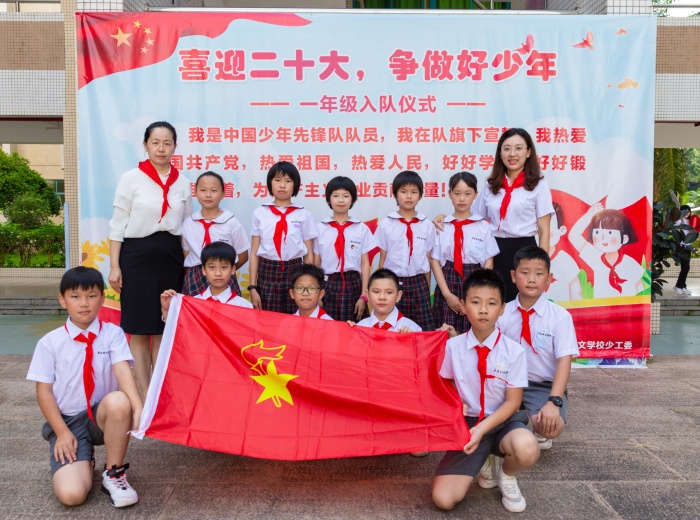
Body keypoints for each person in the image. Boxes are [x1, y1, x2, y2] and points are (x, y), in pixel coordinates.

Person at [26, 267, 142, 508]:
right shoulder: (50, 343)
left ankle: (113, 473)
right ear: (62, 300)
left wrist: (138, 406)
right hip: (68, 423)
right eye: (75, 296)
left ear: (102, 298)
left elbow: (123, 371)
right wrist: (62, 432)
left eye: (91, 295)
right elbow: (44, 392)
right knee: (72, 495)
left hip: (101, 417)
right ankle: (85, 460)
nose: (84, 303)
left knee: (120, 400)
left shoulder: (113, 334)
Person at [432, 269, 538, 513]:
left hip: (503, 422)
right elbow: (446, 385)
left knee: (527, 447)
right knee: (443, 500)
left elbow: (513, 403)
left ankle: (507, 475)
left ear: (502, 309)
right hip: (468, 426)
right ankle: (485, 459)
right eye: (475, 302)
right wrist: (457, 405)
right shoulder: (453, 347)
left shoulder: (514, 352)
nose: (483, 310)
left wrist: (482, 429)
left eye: (491, 303)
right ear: (463, 305)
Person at [108, 121, 192, 399]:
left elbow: (187, 226)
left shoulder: (182, 182)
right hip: (136, 258)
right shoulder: (131, 178)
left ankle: (160, 392)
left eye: (167, 143)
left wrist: (185, 264)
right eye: (155, 142)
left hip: (170, 258)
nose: (161, 148)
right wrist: (114, 266)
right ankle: (144, 394)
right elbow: (117, 225)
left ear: (175, 147)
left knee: (162, 328)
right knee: (140, 329)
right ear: (145, 145)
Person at [434, 128, 554, 302]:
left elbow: (544, 231)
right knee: (494, 302)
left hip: (524, 250)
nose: (512, 154)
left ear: (528, 152)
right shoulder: (491, 186)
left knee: (523, 302)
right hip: (493, 251)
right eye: (507, 149)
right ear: (500, 153)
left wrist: (541, 267)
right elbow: (472, 218)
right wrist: (445, 218)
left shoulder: (539, 186)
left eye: (518, 148)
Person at [498, 246, 579, 451]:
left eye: (539, 273)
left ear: (549, 279)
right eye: (525, 273)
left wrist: (554, 401)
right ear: (513, 276)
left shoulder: (560, 316)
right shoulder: (502, 313)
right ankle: (516, 423)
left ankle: (533, 423)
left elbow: (564, 360)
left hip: (540, 385)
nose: (532, 279)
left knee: (551, 427)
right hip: (505, 382)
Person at [431, 171, 499, 334]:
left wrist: (478, 289)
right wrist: (447, 294)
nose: (462, 199)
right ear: (450, 194)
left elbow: (489, 261)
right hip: (448, 280)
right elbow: (435, 261)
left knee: (472, 330)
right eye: (457, 193)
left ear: (475, 194)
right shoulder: (442, 226)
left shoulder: (483, 226)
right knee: (445, 332)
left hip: (475, 278)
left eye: (467, 194)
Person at [248, 161, 317, 314]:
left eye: (288, 181)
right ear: (270, 183)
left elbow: (308, 254)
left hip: (295, 271)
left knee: (295, 319)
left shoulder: (303, 215)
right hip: (267, 272)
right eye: (277, 180)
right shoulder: (260, 213)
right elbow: (254, 252)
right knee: (269, 320)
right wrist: (253, 287)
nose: (282, 185)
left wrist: (309, 284)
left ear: (295, 185)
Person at [376, 170, 436, 331]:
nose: (409, 196)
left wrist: (426, 288)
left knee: (422, 330)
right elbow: (382, 259)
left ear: (420, 195)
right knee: (393, 329)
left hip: (418, 283)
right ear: (395, 194)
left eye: (414, 192)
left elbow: (427, 260)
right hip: (393, 282)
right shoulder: (386, 224)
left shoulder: (427, 225)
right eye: (403, 192)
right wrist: (383, 285)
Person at [313, 176, 376, 321]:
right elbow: (316, 264)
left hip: (353, 284)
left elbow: (365, 264)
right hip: (328, 285)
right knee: (329, 328)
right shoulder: (320, 228)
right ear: (328, 200)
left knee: (355, 327)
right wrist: (317, 294)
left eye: (346, 196)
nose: (341, 200)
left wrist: (363, 296)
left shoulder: (361, 228)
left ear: (352, 199)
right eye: (336, 196)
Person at [181, 171, 249, 297]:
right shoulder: (188, 223)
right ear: (196, 193)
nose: (208, 195)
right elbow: (187, 254)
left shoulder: (231, 222)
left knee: (227, 309)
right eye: (203, 190)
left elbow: (243, 256)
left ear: (222, 194)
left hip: (223, 278)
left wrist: (223, 270)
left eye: (213, 190)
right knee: (195, 310)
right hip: (195, 278)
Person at [161, 242, 253, 321]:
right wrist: (167, 311)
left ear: (233, 269)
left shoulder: (244, 306)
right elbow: (181, 330)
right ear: (204, 270)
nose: (218, 273)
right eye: (212, 267)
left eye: (224, 267)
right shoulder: (193, 305)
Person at [569, 201, 643, 298]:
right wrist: (590, 215)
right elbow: (573, 236)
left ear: (624, 238)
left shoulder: (630, 263)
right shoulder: (595, 256)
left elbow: (640, 289)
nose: (603, 238)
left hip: (626, 307)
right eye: (597, 232)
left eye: (610, 233)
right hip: (601, 307)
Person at [350, 268, 421, 333]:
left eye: (389, 292)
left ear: (398, 296)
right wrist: (348, 332)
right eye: (376, 292)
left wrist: (411, 339)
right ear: (367, 295)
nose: (382, 297)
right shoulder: (360, 328)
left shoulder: (412, 329)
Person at [544, 202, 582, 302]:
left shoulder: (565, 260)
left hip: (563, 309)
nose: (543, 232)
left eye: (548, 226)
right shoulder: (529, 260)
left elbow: (576, 292)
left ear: (561, 230)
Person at [673, 205, 693, 296]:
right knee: (685, 267)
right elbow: (675, 226)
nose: (687, 213)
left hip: (688, 246)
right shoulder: (679, 220)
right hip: (681, 247)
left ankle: (683, 286)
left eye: (688, 211)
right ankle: (678, 286)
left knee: (686, 267)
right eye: (685, 211)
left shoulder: (689, 221)